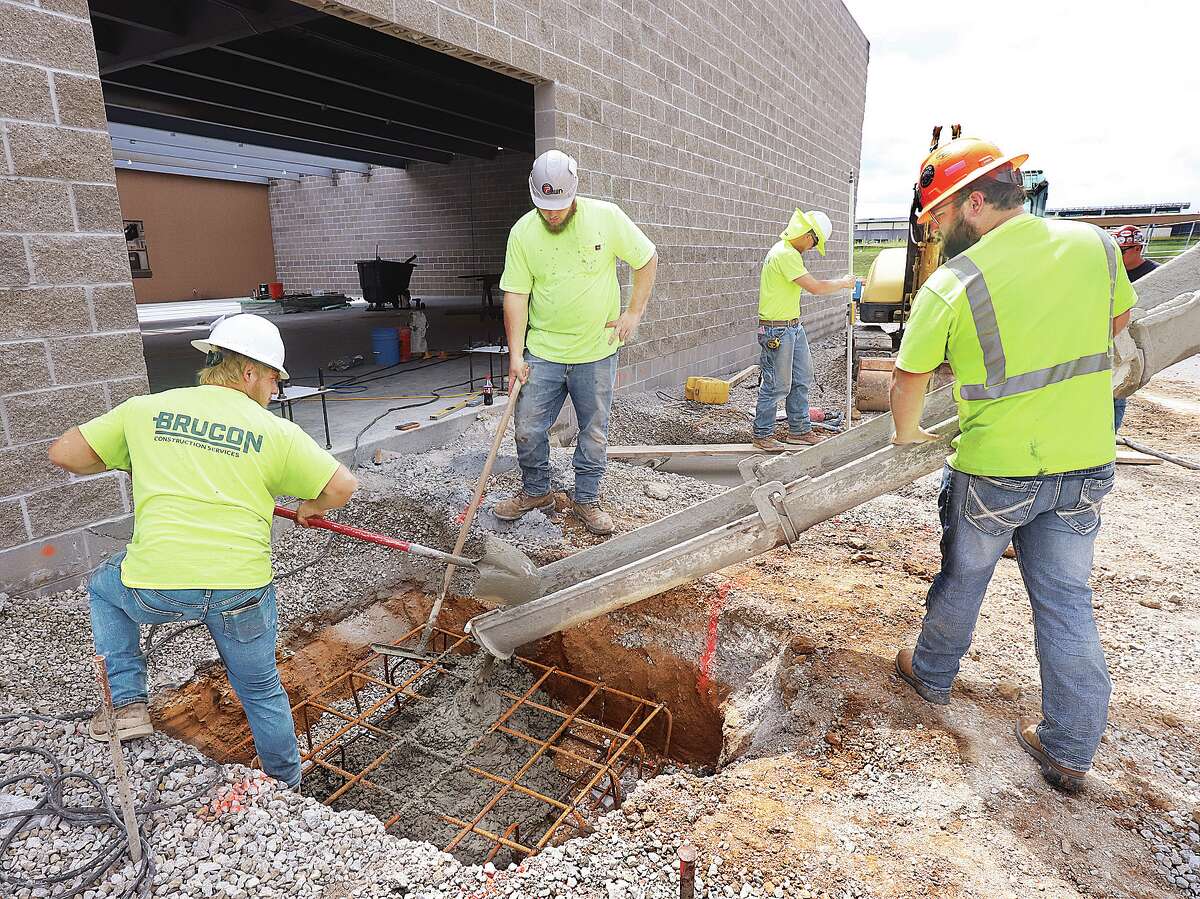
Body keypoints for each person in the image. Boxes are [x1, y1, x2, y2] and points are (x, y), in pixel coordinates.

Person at [888, 137, 1136, 793]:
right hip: (1083, 461)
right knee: (1066, 601)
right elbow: (1118, 321)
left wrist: (909, 435)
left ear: (973, 203)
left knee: (964, 575)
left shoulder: (954, 283)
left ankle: (931, 674)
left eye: (939, 218)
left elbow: (909, 377)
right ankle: (1069, 747)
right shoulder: (1095, 246)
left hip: (995, 468)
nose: (935, 233)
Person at [48, 314, 358, 789]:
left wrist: (132, 459)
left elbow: (65, 453)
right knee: (260, 688)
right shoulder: (275, 432)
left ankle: (127, 704)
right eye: (273, 378)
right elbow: (341, 487)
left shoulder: (145, 411)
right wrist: (308, 508)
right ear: (249, 371)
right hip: (240, 589)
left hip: (156, 585)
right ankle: (287, 788)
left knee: (105, 590)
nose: (275, 389)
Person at [495, 149, 658, 536]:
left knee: (594, 432)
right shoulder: (523, 232)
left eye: (559, 206)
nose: (552, 214)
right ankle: (537, 492)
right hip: (543, 352)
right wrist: (516, 355)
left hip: (596, 352)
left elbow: (647, 258)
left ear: (574, 193)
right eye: (545, 206)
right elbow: (515, 295)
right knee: (527, 429)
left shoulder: (606, 217)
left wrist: (633, 313)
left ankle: (586, 499)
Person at [751, 209, 854, 451]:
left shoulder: (788, 253)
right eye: (815, 243)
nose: (811, 248)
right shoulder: (785, 254)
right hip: (777, 331)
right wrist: (844, 283)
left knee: (801, 378)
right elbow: (815, 287)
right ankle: (762, 434)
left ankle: (799, 430)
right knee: (777, 385)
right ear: (808, 235)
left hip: (792, 327)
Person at [1110, 224, 1158, 430]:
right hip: (1113, 337)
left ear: (1138, 248)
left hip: (1132, 341)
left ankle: (1111, 434)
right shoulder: (1113, 271)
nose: (1117, 256)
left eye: (1122, 251)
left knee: (1118, 391)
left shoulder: (1154, 275)